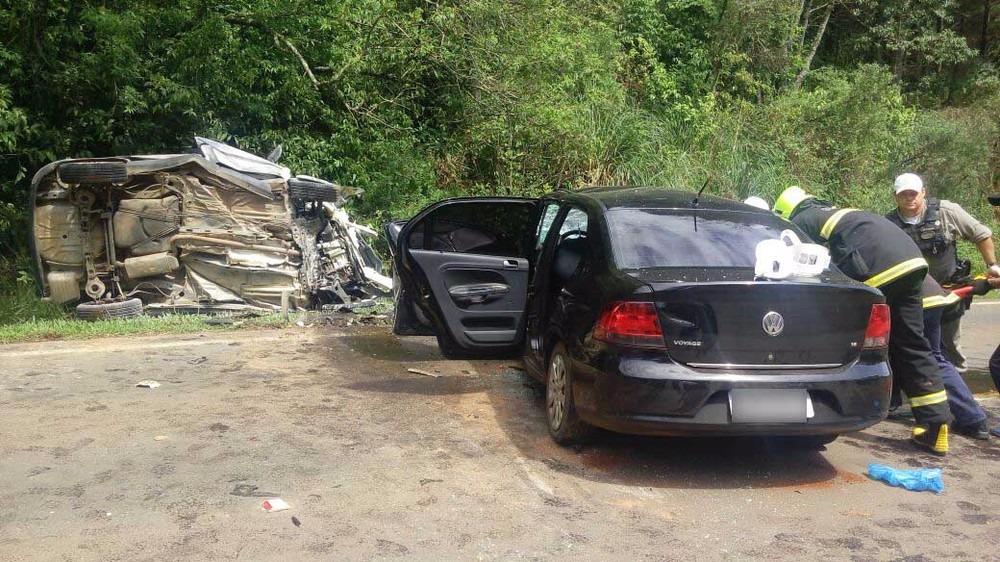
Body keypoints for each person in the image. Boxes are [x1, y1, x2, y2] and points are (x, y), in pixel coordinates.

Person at [773, 186, 953, 455]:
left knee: (849, 339)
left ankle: (842, 406)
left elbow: (802, 266)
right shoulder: (839, 212)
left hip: (878, 269)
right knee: (913, 345)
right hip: (913, 263)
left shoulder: (801, 221)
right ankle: (936, 426)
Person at [886, 173, 1000, 372]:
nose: (909, 197)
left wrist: (992, 265)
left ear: (923, 192)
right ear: (895, 196)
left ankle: (956, 390)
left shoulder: (945, 212)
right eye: (904, 194)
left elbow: (982, 234)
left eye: (913, 193)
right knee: (914, 346)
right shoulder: (887, 224)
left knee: (949, 349)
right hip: (912, 297)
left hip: (949, 293)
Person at [920, 276, 990, 440]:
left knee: (927, 357)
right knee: (934, 356)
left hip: (919, 299)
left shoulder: (855, 251)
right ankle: (972, 418)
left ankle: (970, 419)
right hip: (933, 294)